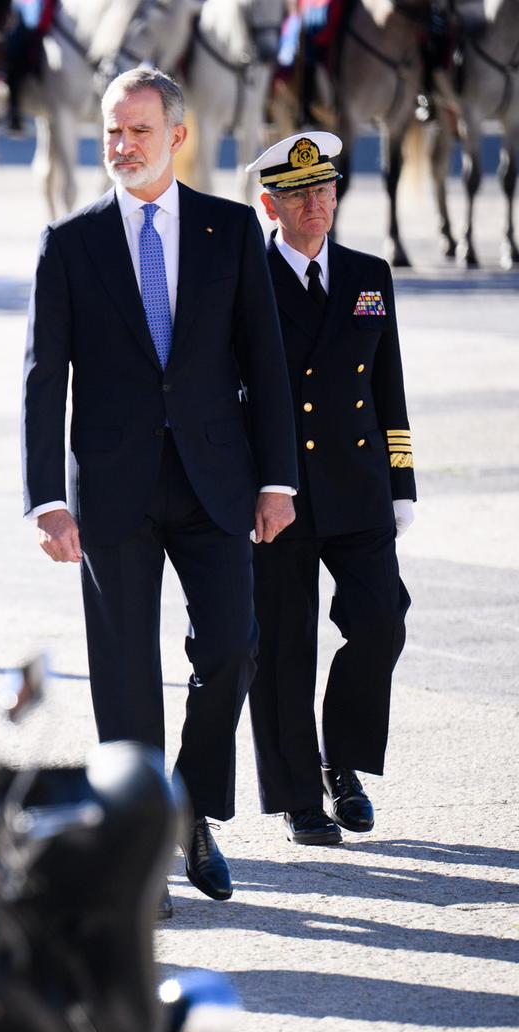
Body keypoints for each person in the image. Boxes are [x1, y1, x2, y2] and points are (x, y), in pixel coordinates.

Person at [21, 66, 298, 917]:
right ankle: (139, 853)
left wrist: (278, 478)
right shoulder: (68, 242)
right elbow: (43, 379)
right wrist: (43, 499)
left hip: (219, 481)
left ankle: (189, 806)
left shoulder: (229, 231)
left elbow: (266, 361)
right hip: (110, 490)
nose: (121, 146)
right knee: (125, 674)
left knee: (231, 649)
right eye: (111, 130)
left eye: (138, 131)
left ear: (177, 136)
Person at [244, 131, 415, 846]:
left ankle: (343, 765)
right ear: (269, 203)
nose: (316, 205)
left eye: (326, 190)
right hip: (279, 489)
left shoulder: (369, 273)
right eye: (299, 194)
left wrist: (401, 480)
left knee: (381, 619)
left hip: (357, 482)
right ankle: (296, 795)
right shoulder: (245, 276)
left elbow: (388, 387)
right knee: (284, 645)